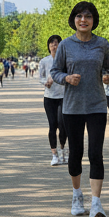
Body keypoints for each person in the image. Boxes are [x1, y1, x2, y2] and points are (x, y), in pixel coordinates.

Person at [51, 1, 109, 217]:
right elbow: (55, 71)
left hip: (97, 104)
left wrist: (107, 75)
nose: (83, 20)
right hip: (72, 107)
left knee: (96, 153)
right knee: (76, 153)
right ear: (74, 20)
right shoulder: (66, 45)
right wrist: (66, 78)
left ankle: (96, 204)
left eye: (87, 16)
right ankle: (77, 195)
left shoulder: (103, 44)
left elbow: (108, 67)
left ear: (93, 20)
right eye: (79, 16)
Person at [38, 34, 68, 165]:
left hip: (63, 97)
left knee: (62, 125)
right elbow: (41, 77)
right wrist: (46, 82)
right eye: (51, 43)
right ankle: (54, 154)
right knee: (52, 125)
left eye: (56, 43)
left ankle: (62, 150)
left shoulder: (65, 61)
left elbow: (68, 75)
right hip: (49, 98)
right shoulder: (44, 61)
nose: (53, 45)